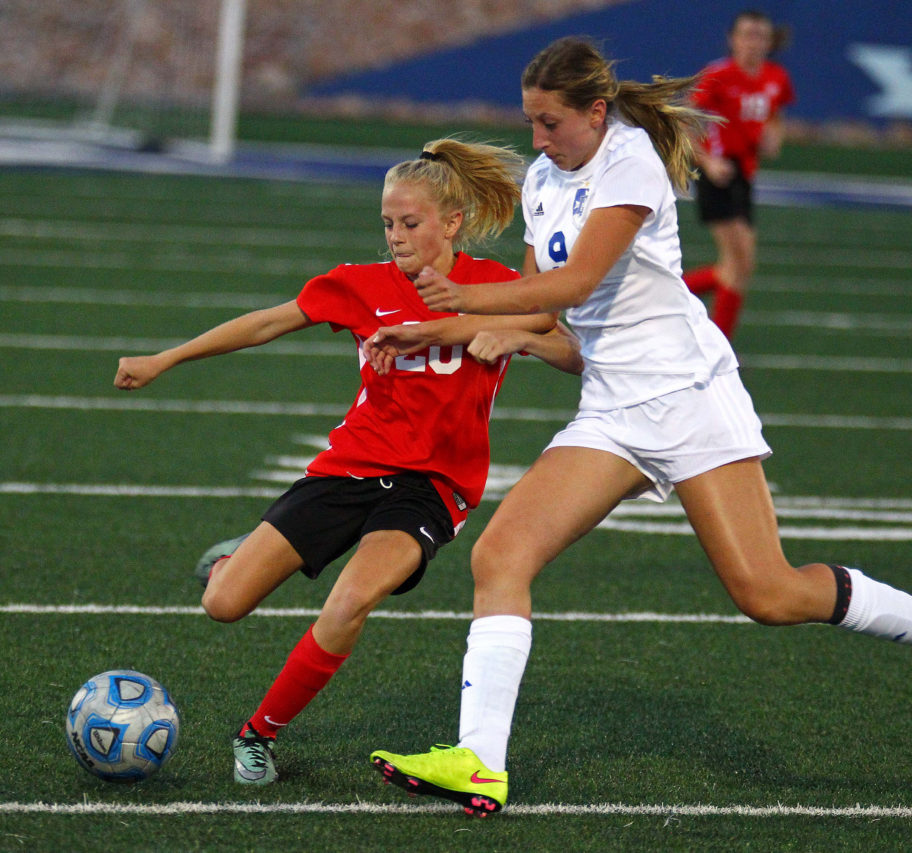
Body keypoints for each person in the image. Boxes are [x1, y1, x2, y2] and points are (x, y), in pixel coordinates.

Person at [365, 36, 912, 817]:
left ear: (595, 113)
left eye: (549, 123)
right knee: (502, 554)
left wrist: (461, 302)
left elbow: (574, 281)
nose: (537, 141)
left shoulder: (630, 159)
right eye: (531, 123)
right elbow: (547, 311)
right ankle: (479, 760)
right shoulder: (543, 179)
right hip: (611, 406)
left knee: (768, 594)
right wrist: (452, 331)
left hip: (687, 395)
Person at [113, 137, 583, 785]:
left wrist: (515, 333)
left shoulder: (497, 288)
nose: (395, 235)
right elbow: (264, 324)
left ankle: (257, 734)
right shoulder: (361, 286)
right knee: (223, 603)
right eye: (387, 222)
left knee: (349, 601)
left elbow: (570, 349)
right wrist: (163, 359)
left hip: (431, 488)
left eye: (410, 222)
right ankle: (233, 559)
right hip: (349, 468)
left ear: (452, 223)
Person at [684, 9, 795, 339]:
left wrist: (774, 136)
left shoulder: (775, 77)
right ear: (732, 39)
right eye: (747, 34)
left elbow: (775, 115)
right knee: (738, 264)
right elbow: (683, 122)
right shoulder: (718, 74)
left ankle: (667, 298)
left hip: (745, 174)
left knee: (738, 267)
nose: (753, 42)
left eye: (760, 35)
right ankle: (719, 345)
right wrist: (706, 162)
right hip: (718, 173)